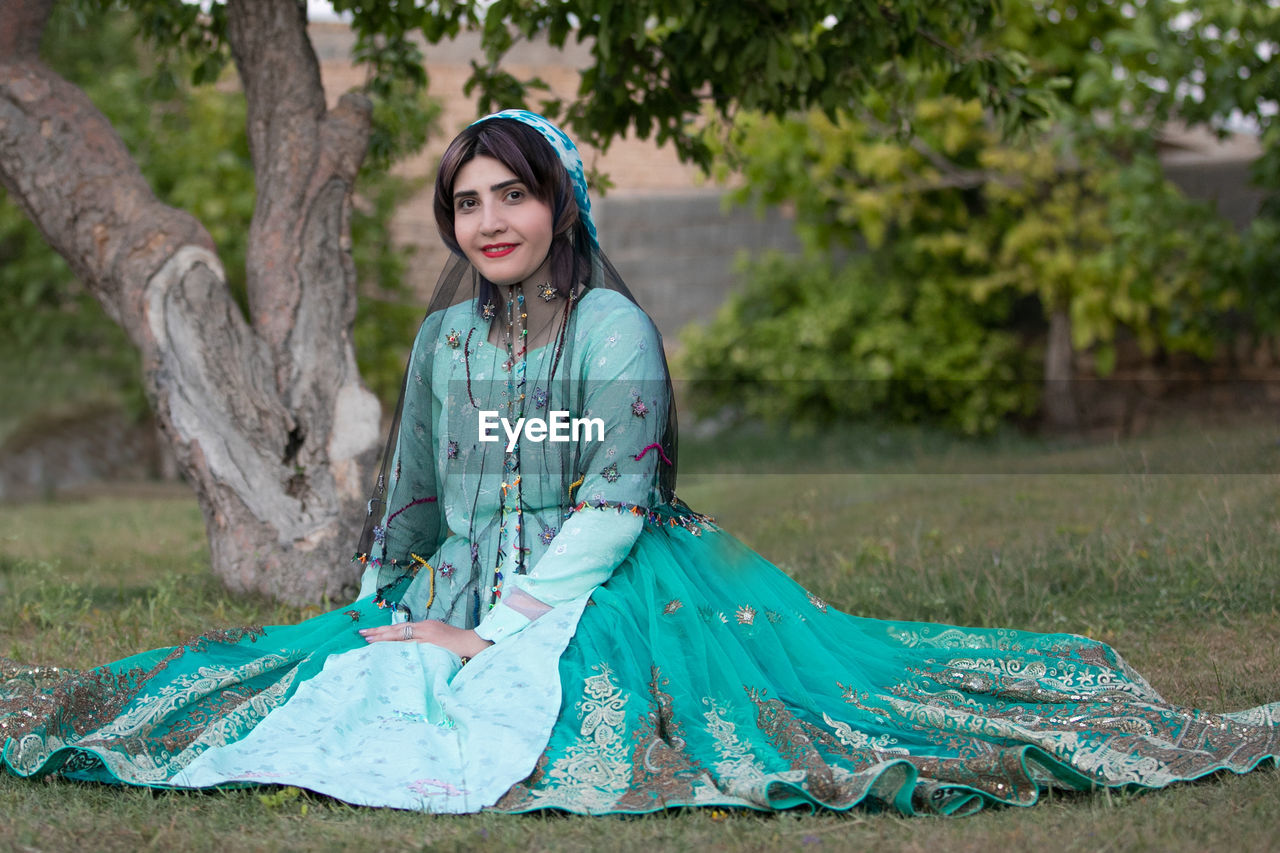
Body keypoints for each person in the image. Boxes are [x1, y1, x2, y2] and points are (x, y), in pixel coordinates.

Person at [2, 111, 1277, 817]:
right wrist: (396, 599)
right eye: (466, 203)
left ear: (558, 205)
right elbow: (420, 494)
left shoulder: (613, 328)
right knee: (302, 686)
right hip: (463, 574)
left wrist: (498, 629)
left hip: (598, 577)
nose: (488, 222)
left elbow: (615, 501)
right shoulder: (446, 334)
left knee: (601, 711)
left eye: (511, 195)